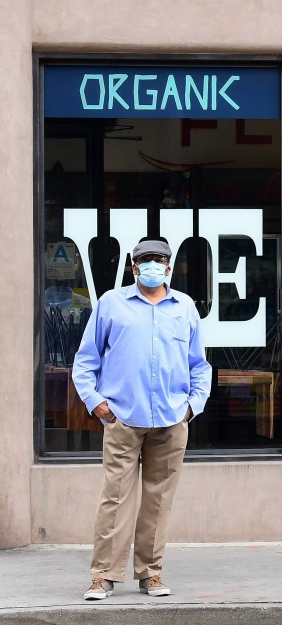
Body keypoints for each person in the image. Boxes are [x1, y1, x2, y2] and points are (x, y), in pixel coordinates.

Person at [72, 239, 212, 600]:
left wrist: (191, 407)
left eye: (159, 261)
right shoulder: (111, 304)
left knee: (158, 500)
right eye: (145, 261)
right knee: (115, 498)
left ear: (169, 267)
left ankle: (150, 573)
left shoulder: (184, 308)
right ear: (133, 268)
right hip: (123, 418)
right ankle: (102, 576)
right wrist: (98, 404)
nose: (152, 266)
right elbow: (86, 360)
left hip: (170, 419)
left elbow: (199, 364)